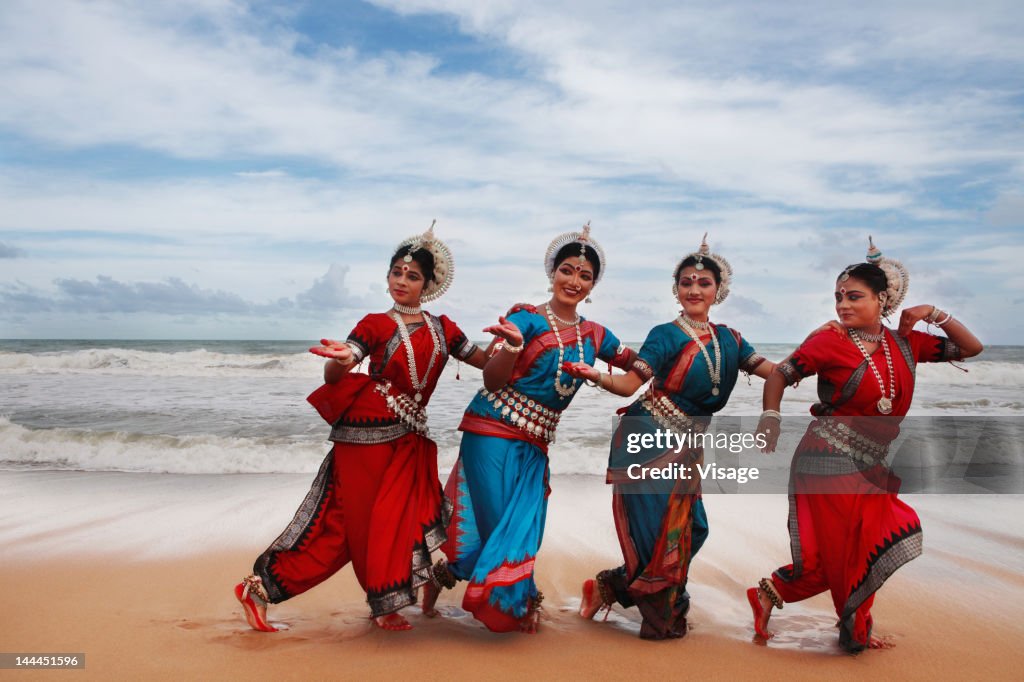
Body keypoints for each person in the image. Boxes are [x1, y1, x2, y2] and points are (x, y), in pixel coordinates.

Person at [233, 222, 502, 632]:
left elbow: (488, 367)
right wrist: (339, 359)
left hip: (409, 437)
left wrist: (515, 348)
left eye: (412, 276)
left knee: (400, 519)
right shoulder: (375, 323)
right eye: (396, 272)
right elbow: (335, 373)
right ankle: (269, 591)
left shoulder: (445, 329)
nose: (402, 281)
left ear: (428, 283)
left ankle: (384, 602)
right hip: (365, 436)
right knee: (352, 523)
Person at [747, 237, 983, 652]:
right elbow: (781, 374)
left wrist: (932, 313)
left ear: (882, 299)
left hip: (871, 462)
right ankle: (854, 631)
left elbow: (971, 348)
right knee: (847, 551)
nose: (842, 305)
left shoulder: (907, 343)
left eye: (854, 296)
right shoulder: (828, 341)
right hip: (827, 455)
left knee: (864, 544)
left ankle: (771, 594)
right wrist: (771, 417)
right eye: (838, 297)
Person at [421, 224, 643, 633]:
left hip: (536, 445)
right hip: (490, 434)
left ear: (593, 284)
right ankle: (520, 601)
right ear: (552, 272)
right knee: (495, 529)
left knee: (521, 529)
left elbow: (639, 372)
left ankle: (447, 579)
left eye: (584, 275)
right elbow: (491, 379)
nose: (573, 281)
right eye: (567, 270)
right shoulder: (526, 318)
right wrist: (513, 347)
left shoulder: (595, 335)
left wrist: (599, 376)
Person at [569, 234, 775, 639]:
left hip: (687, 447)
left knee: (692, 530)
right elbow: (631, 385)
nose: (694, 289)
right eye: (686, 282)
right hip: (646, 437)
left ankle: (609, 586)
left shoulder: (731, 339)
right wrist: (596, 374)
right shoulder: (665, 333)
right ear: (676, 289)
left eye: (703, 283)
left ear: (719, 289)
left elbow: (778, 372)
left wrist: (778, 406)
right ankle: (659, 611)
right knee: (656, 535)